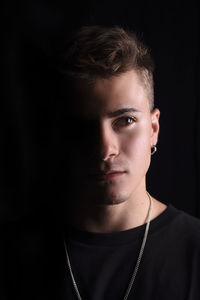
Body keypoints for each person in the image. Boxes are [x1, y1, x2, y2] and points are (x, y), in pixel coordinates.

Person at [51, 25, 200, 300]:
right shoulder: (14, 254)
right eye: (84, 127)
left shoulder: (195, 251)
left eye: (125, 121)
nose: (105, 149)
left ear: (154, 129)